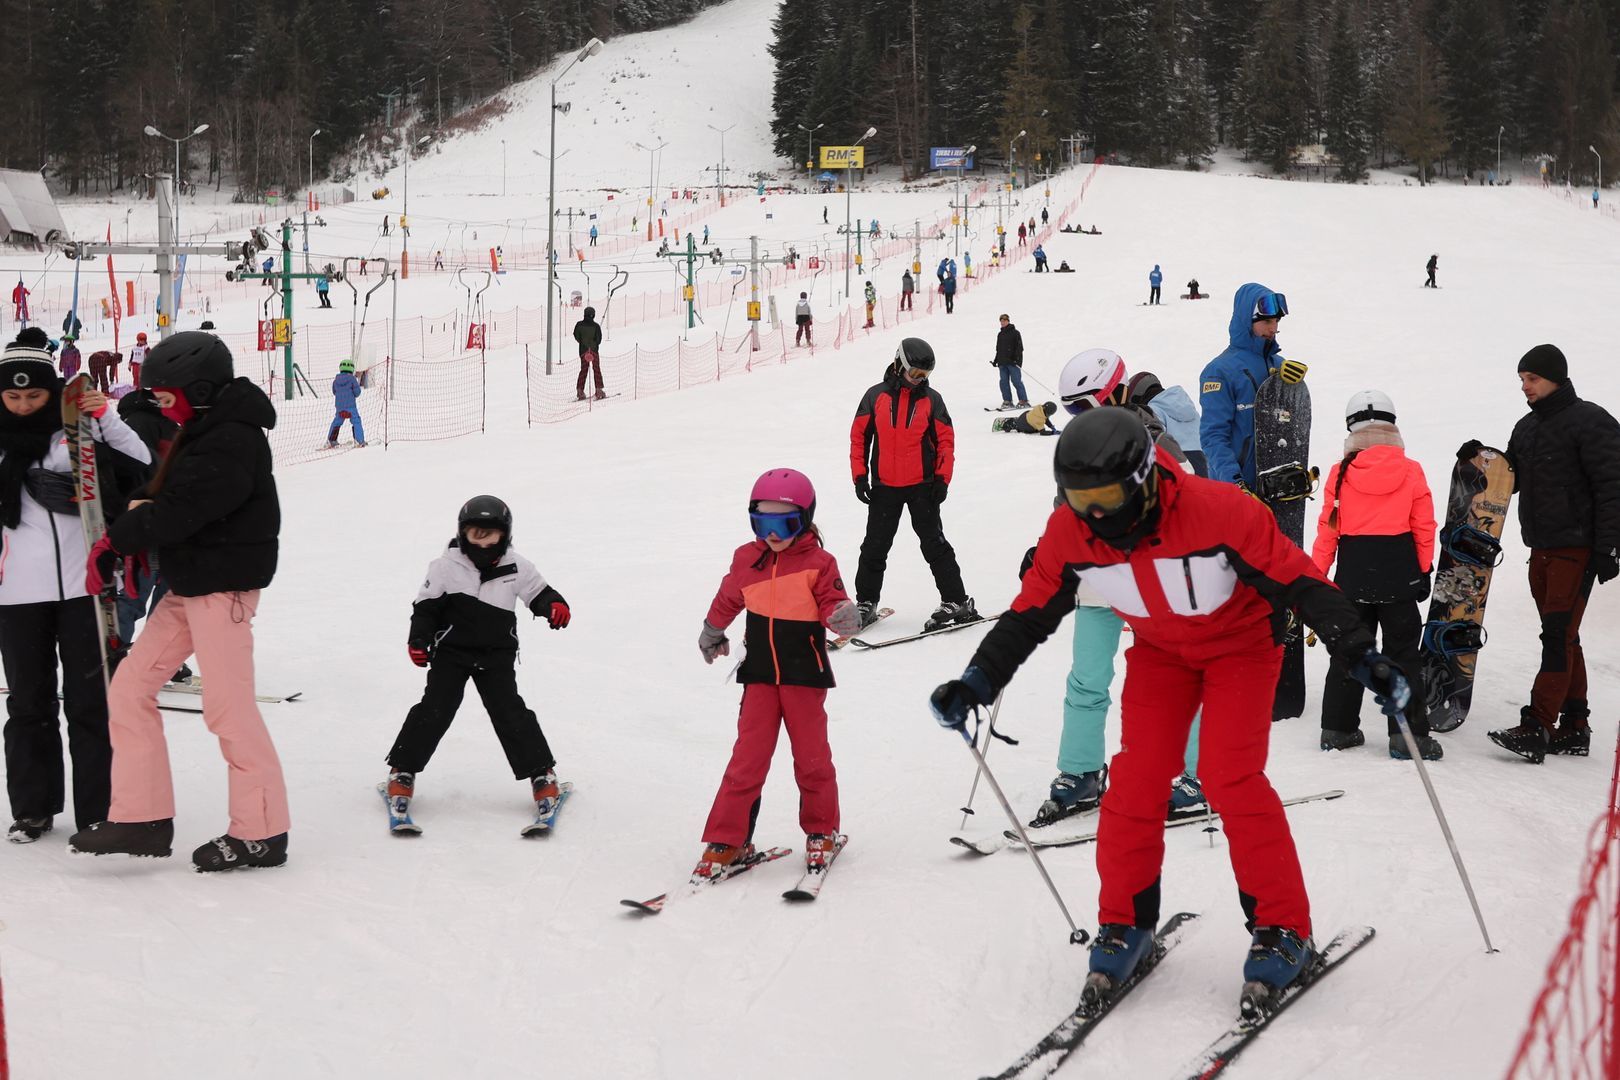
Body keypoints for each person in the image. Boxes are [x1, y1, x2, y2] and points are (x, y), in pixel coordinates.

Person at [928, 407, 1406, 1007]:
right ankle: (1126, 921)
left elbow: (1299, 581)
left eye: (1104, 495)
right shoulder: (1072, 531)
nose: (1095, 514)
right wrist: (976, 682)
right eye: (1080, 499)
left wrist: (1361, 654)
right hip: (1160, 649)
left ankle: (1283, 927)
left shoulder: (1219, 510)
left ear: (1143, 480)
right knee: (1134, 781)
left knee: (1229, 776)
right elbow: (1028, 616)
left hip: (1240, 645)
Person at [68, 331, 290, 871]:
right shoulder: (204, 428)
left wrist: (120, 539)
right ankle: (142, 816)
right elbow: (173, 499)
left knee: (228, 709)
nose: (160, 405)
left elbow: (188, 506)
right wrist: (139, 519)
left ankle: (262, 831)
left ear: (201, 387)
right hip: (191, 583)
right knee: (131, 687)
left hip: (223, 589)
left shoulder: (232, 436)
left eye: (166, 396)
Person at [1036, 350, 1204, 825]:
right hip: (1099, 580)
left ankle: (1197, 775)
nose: (1077, 418)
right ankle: (1082, 773)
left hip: (1154, 580)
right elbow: (1065, 507)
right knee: (1086, 678)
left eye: (1081, 405)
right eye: (1070, 410)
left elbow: (1186, 497)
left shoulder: (1153, 437)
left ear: (1110, 391)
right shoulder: (1079, 444)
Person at [0, 332, 151, 843]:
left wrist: (105, 416)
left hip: (82, 586)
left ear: (51, 392)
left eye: (34, 396)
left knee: (89, 699)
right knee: (28, 703)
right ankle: (33, 808)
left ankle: (99, 807)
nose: (23, 406)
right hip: (15, 593)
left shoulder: (76, 429)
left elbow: (143, 466)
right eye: (13, 397)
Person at [693, 470, 860, 876]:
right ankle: (728, 840)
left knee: (812, 759)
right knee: (746, 761)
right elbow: (729, 595)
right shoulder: (745, 559)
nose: (773, 534)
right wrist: (713, 630)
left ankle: (822, 832)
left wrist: (842, 617)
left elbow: (831, 602)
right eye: (762, 523)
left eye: (784, 523)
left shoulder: (819, 563)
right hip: (760, 676)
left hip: (804, 677)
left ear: (804, 519)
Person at [383, 496, 572, 828]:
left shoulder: (516, 566)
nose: (482, 543)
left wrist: (553, 605)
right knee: (435, 709)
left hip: (496, 654)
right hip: (451, 654)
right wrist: (417, 640)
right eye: (475, 535)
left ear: (505, 535)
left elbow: (539, 592)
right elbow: (425, 609)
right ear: (463, 534)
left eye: (491, 536)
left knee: (509, 711)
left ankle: (542, 775)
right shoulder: (444, 567)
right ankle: (402, 770)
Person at [1486, 345, 1620, 763]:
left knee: (1556, 637)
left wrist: (1609, 548)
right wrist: (1483, 460)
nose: (1525, 387)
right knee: (1565, 636)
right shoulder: (1527, 427)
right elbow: (1513, 478)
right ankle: (1575, 727)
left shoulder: (1591, 421)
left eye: (1532, 379)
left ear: (1555, 378)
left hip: (1576, 549)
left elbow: (1612, 487)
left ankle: (1537, 726)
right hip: (1540, 549)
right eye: (1522, 379)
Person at [1313, 391, 1442, 760]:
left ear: (1351, 426)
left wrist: (1316, 577)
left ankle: (1337, 728)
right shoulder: (1411, 469)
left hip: (1352, 574)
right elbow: (1424, 525)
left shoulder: (1341, 473)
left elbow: (1328, 530)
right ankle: (1408, 739)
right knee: (1403, 654)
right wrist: (1422, 569)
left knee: (1350, 650)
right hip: (1398, 573)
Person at [850, 338, 976, 633]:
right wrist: (859, 476)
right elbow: (859, 438)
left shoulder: (932, 400)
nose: (920, 381)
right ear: (899, 365)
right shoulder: (875, 397)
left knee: (934, 544)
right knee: (874, 547)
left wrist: (943, 479)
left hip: (923, 486)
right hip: (884, 487)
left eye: (925, 376)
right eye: (915, 374)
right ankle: (866, 602)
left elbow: (946, 441)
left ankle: (956, 600)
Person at [1199, 283, 1301, 490]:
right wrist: (1236, 483)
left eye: (1277, 321)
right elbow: (1213, 437)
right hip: (1233, 492)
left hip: (1275, 487)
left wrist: (1296, 388)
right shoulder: (1219, 372)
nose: (1273, 328)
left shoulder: (1280, 366)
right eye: (1266, 321)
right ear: (1247, 320)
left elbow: (1289, 427)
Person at [1127, 371, 1207, 477]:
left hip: (1180, 462)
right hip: (1204, 463)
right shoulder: (1191, 411)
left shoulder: (1153, 410)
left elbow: (1155, 441)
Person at [327, 360, 366, 448]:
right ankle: (359, 441)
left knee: (337, 422)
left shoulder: (336, 380)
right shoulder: (352, 379)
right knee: (356, 421)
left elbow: (334, 391)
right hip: (351, 406)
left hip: (339, 407)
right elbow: (357, 392)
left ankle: (331, 440)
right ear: (352, 368)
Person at [993, 313, 1029, 409]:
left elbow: (1019, 348)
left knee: (1016, 381)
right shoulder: (1000, 334)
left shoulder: (1015, 333)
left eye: (1004, 320)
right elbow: (998, 349)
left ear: (1008, 321)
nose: (1003, 322)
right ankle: (1007, 401)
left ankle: (1023, 400)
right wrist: (996, 360)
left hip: (1013, 363)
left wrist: (1016, 360)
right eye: (1001, 320)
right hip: (1002, 363)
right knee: (1003, 382)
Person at [572, 307, 605, 401]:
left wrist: (583, 342)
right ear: (593, 315)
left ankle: (580, 391)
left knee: (583, 370)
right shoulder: (596, 326)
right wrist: (593, 344)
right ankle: (599, 390)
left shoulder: (579, 325)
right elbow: (599, 339)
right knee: (596, 369)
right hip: (594, 351)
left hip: (583, 351)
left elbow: (576, 335)